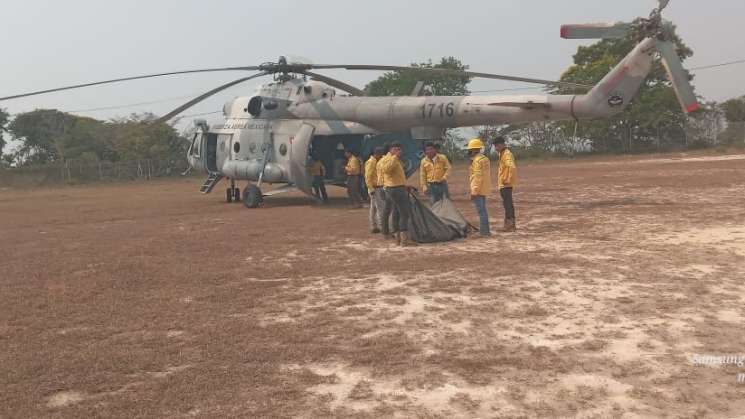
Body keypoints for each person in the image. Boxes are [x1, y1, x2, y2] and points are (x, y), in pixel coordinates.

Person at [379, 142, 415, 246]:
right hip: (395, 189)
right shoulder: (388, 159)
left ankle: (398, 238)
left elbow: (397, 175)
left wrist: (404, 185)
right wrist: (395, 157)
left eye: (400, 149)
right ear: (391, 149)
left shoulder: (394, 159)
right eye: (396, 149)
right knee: (404, 213)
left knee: (396, 213)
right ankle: (404, 240)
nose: (399, 151)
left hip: (397, 187)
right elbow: (386, 170)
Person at [467, 138, 491, 237]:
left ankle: (484, 232)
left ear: (474, 150)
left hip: (478, 189)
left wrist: (474, 191)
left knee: (481, 211)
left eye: (469, 150)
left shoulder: (477, 161)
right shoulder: (485, 159)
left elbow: (477, 176)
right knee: (483, 210)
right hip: (484, 188)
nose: (468, 151)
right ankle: (486, 231)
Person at [494, 137, 518, 232]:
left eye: (497, 145)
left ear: (502, 144)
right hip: (503, 184)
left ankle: (510, 225)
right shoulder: (502, 154)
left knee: (508, 204)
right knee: (507, 204)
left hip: (506, 184)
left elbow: (511, 167)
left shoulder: (506, 154)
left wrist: (507, 179)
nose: (496, 148)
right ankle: (510, 224)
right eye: (495, 146)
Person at [365, 147, 385, 233]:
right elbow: (367, 177)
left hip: (375, 188)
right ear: (376, 154)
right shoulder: (371, 162)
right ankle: (382, 227)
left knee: (373, 209)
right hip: (375, 188)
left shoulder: (375, 161)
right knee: (380, 208)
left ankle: (373, 226)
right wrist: (371, 188)